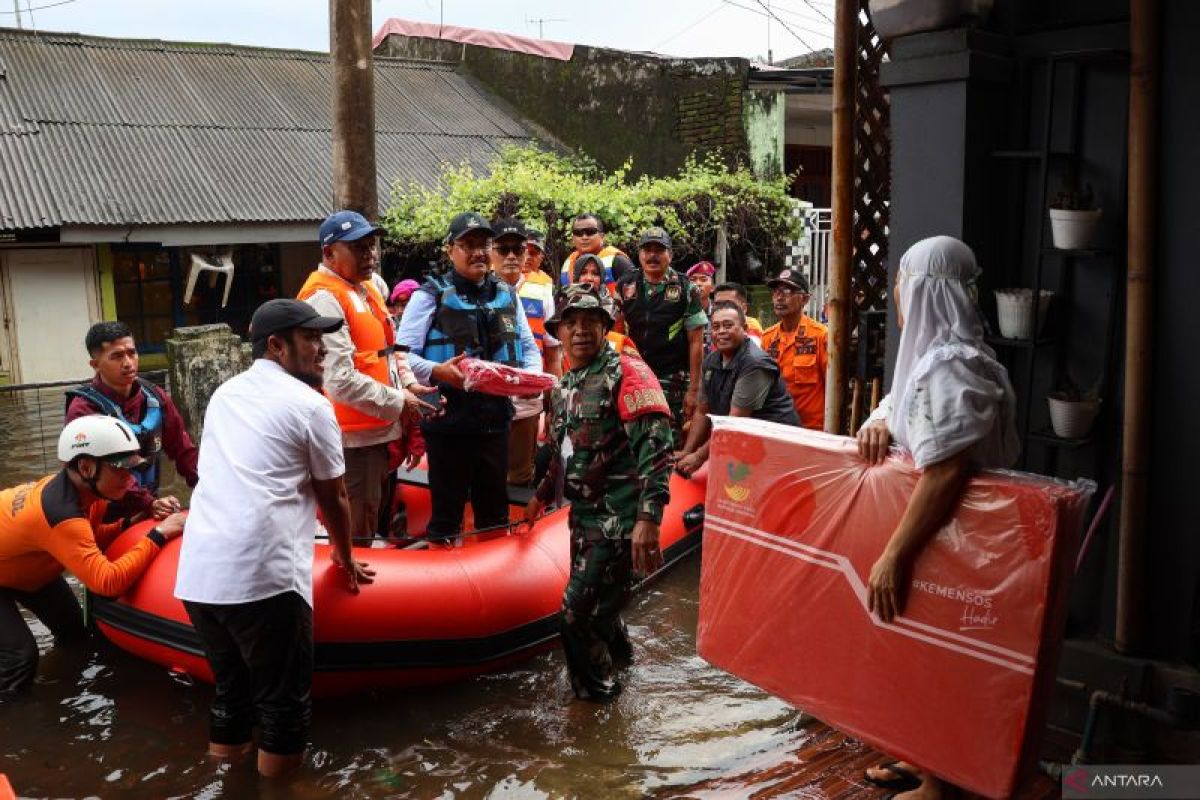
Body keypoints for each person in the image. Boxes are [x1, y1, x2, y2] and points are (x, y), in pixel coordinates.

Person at [174, 299, 374, 778]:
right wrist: (345, 557)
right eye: (311, 340)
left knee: (231, 693)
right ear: (277, 346)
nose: (321, 350)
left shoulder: (225, 393)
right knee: (283, 708)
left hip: (198, 576)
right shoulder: (311, 406)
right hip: (261, 578)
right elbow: (335, 496)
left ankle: (226, 780)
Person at [856, 236, 1020, 800]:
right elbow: (906, 409)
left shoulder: (954, 366)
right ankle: (922, 756)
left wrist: (892, 554)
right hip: (942, 536)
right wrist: (878, 419)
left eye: (903, 282)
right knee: (922, 648)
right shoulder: (936, 359)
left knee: (946, 660)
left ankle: (940, 785)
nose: (898, 293)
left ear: (923, 291)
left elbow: (946, 470)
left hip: (956, 539)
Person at [524, 284, 673, 703]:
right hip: (584, 519)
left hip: (619, 521)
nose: (580, 330)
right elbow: (560, 451)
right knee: (601, 611)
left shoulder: (628, 373)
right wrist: (538, 495)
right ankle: (626, 668)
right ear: (559, 331)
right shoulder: (564, 385)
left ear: (606, 326)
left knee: (575, 618)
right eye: (570, 322)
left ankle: (598, 704)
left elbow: (658, 449)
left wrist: (648, 520)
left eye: (591, 321)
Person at [1, 415, 186, 700]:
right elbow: (107, 583)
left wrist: (134, 520)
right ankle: (16, 728)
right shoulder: (61, 514)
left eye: (134, 469)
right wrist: (158, 535)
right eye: (121, 470)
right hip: (13, 571)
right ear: (86, 467)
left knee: (75, 633)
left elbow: (91, 537)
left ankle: (62, 694)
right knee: (20, 657)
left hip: (24, 568)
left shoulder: (88, 496)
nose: (131, 479)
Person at [396, 212, 542, 540]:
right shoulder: (428, 295)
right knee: (446, 515)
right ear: (450, 250)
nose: (478, 251)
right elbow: (399, 354)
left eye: (483, 244)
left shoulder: (507, 294)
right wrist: (437, 370)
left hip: (495, 421)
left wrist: (532, 380)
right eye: (469, 244)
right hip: (449, 423)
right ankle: (440, 575)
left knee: (494, 512)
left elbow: (529, 348)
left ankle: (493, 581)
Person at [298, 210, 432, 543]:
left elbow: (388, 348)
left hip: (379, 427)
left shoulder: (366, 288)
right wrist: (400, 400)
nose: (369, 255)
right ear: (329, 254)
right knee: (357, 525)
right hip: (351, 440)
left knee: (373, 515)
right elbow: (339, 380)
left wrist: (408, 383)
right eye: (358, 248)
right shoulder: (324, 300)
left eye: (371, 246)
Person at [65, 321, 199, 521]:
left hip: (147, 507)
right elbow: (103, 472)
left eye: (132, 353)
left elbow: (183, 450)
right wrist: (148, 503)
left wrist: (205, 486)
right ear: (95, 365)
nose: (128, 362)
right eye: (117, 356)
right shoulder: (84, 411)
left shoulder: (155, 397)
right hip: (101, 515)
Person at [675, 302, 799, 477]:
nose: (721, 332)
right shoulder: (711, 361)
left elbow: (734, 424)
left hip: (774, 446)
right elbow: (702, 411)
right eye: (716, 327)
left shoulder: (755, 364)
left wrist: (699, 457)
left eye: (728, 325)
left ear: (744, 328)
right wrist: (687, 451)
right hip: (742, 444)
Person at [615, 226, 708, 447]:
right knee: (632, 437)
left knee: (667, 440)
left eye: (659, 249)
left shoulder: (686, 288)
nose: (652, 255)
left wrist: (694, 390)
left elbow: (696, 341)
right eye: (647, 250)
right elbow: (616, 332)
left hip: (672, 378)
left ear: (670, 255)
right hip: (635, 375)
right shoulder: (626, 285)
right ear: (639, 255)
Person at [490, 217, 562, 486]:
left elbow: (552, 351)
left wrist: (551, 399)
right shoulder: (476, 289)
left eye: (519, 250)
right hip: (488, 403)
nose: (512, 256)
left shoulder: (544, 291)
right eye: (503, 249)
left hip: (528, 399)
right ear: (491, 251)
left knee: (520, 476)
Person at [760, 269, 829, 430]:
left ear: (804, 299)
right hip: (776, 428)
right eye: (776, 292)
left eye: (787, 291)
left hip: (811, 431)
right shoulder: (768, 338)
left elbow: (833, 388)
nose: (779, 297)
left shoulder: (820, 336)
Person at [559, 213, 635, 290]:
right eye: (578, 233)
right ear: (573, 238)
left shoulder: (618, 261)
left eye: (590, 231)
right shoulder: (567, 264)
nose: (584, 237)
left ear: (602, 236)